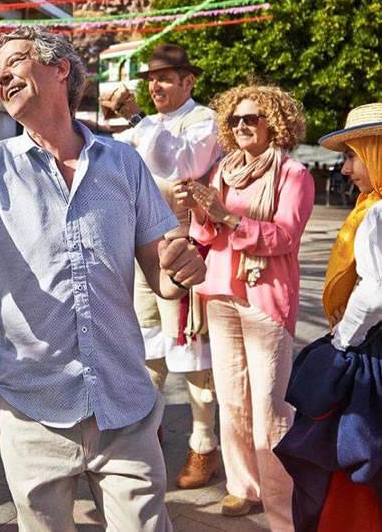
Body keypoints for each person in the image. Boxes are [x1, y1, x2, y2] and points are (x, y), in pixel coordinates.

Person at [0, 26, 207, 531]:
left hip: (125, 405)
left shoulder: (125, 163)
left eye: (15, 63)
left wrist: (182, 270)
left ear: (60, 68)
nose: (2, 76)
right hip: (32, 412)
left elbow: (160, 274)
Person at [180, 85, 314, 528]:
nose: (241, 126)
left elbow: (285, 237)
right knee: (232, 400)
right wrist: (198, 210)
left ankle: (281, 507)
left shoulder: (293, 174)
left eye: (251, 118)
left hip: (266, 298)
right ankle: (243, 486)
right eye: (235, 119)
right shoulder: (223, 170)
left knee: (269, 407)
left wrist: (227, 215)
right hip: (220, 292)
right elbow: (205, 237)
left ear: (273, 122)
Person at [101, 42, 222, 489]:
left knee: (190, 351)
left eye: (165, 78)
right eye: (151, 78)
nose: (155, 85)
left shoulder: (202, 119)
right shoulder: (145, 124)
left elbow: (181, 163)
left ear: (188, 82)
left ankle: (203, 445)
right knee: (146, 348)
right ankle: (146, 434)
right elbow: (116, 160)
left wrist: (134, 120)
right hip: (141, 247)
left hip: (184, 248)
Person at [274, 103, 382, 531]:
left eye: (353, 154)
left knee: (355, 472)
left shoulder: (376, 213)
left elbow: (374, 292)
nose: (345, 169)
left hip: (375, 355)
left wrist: (342, 342)